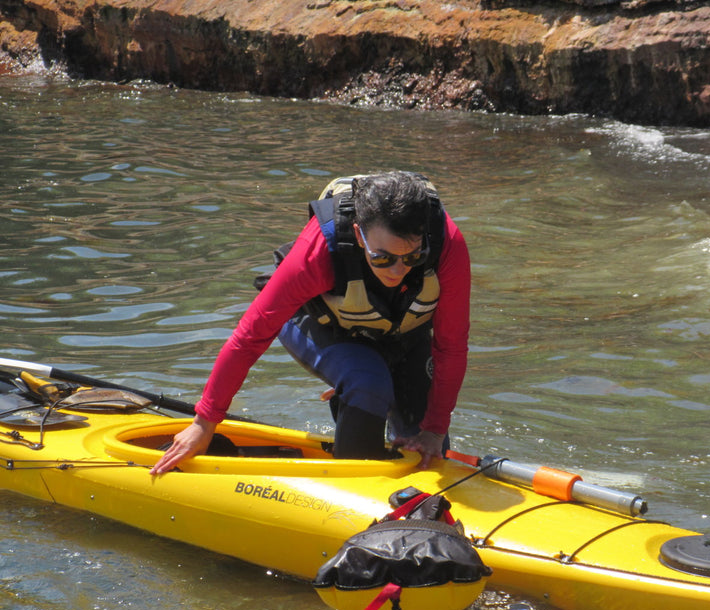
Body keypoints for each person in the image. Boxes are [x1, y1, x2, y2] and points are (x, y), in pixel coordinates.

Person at [150, 171, 470, 474]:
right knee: (367, 380)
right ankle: (350, 484)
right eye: (383, 258)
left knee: (427, 443)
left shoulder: (447, 246)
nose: (398, 270)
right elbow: (250, 336)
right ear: (359, 234)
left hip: (404, 331)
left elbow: (451, 346)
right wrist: (204, 422)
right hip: (322, 322)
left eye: (411, 257)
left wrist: (435, 429)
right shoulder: (319, 249)